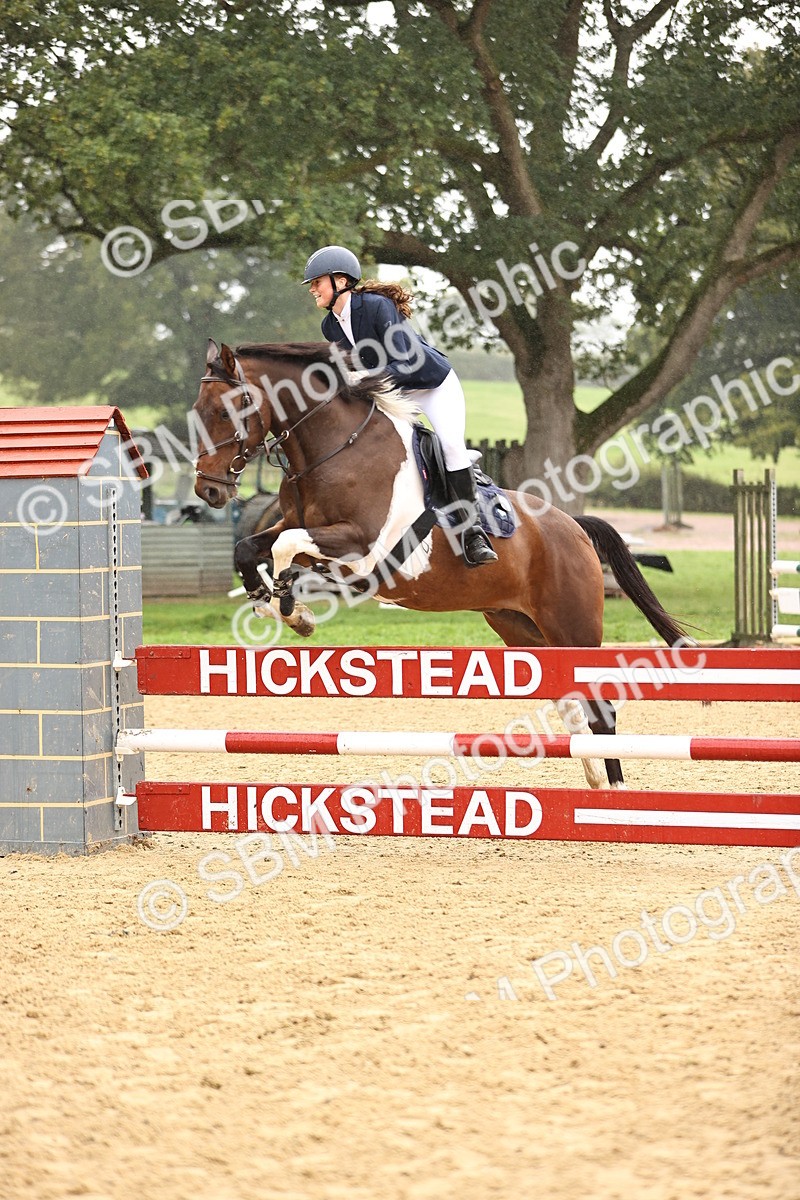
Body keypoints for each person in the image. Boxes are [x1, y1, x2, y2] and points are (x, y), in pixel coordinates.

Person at [302, 244, 498, 568]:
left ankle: (472, 533)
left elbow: (406, 362)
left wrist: (361, 378)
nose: (312, 289)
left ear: (340, 280)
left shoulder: (376, 307)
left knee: (450, 446)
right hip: (393, 391)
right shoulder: (331, 326)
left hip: (431, 384)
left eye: (317, 282)